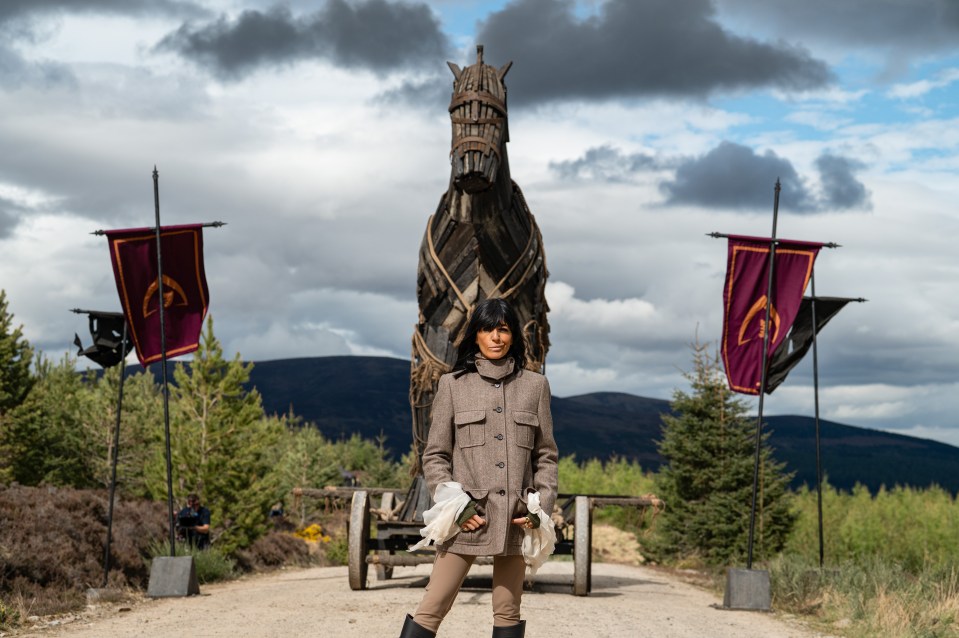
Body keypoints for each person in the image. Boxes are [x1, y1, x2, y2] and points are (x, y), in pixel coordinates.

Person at [398, 298, 558, 638]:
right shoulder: (453, 385)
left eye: (503, 329)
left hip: (516, 518)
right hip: (468, 519)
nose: (496, 337)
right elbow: (436, 456)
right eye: (487, 329)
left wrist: (540, 511)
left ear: (513, 335)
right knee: (432, 607)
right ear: (476, 336)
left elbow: (545, 456)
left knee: (508, 612)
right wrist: (457, 508)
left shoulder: (535, 386)